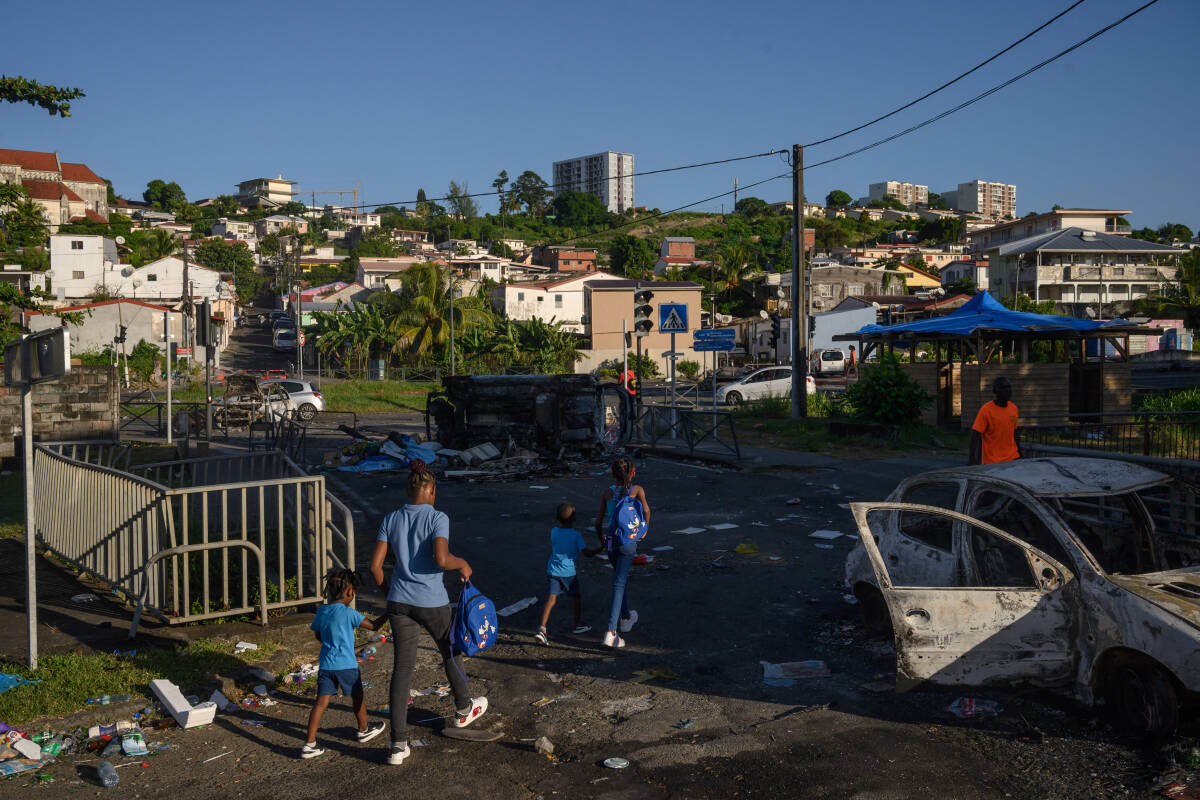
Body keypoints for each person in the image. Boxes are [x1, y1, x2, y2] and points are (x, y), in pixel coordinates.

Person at [369, 461, 488, 767]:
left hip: (399, 604)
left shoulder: (391, 518)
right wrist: (462, 564)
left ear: (410, 490)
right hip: (431, 601)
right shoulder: (438, 518)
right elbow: (441, 558)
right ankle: (464, 709)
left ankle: (397, 745)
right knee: (451, 652)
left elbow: (375, 567)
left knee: (402, 671)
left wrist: (392, 594)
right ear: (432, 490)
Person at [301, 568, 387, 759]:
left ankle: (309, 744)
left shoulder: (322, 611)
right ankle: (363, 730)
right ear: (350, 593)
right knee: (358, 698)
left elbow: (318, 634)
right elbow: (373, 626)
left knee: (320, 704)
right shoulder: (349, 613)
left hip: (326, 666)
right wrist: (389, 613)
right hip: (347, 666)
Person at [593, 456, 650, 648]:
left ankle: (626, 617)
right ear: (632, 472)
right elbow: (647, 511)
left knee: (619, 578)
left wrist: (601, 538)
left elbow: (597, 522)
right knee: (619, 583)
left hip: (610, 541)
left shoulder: (607, 492)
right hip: (627, 542)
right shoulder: (637, 490)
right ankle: (611, 631)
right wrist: (644, 530)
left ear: (613, 473)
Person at [534, 502, 600, 645]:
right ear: (574, 519)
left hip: (552, 569)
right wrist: (600, 548)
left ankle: (542, 628)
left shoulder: (554, 532)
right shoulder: (576, 535)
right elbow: (587, 553)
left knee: (551, 599)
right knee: (576, 597)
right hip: (568, 572)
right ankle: (577, 624)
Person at [969, 376, 1020, 465]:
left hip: (1012, 457)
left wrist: (1019, 453)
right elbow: (975, 435)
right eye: (1004, 387)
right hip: (992, 461)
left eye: (1009, 387)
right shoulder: (986, 410)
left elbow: (1014, 433)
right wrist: (972, 458)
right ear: (995, 391)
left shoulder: (1014, 408)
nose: (1008, 390)